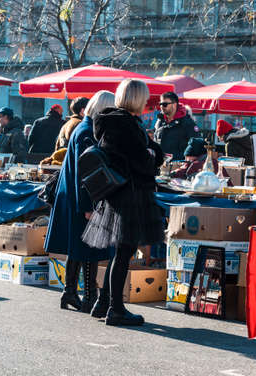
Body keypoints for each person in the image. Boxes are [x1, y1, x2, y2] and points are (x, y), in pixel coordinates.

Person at [82, 79, 164, 326]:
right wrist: (151, 155)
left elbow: (147, 152)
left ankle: (105, 302)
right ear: (138, 99)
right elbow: (144, 160)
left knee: (121, 251)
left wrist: (151, 151)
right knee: (124, 251)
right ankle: (116, 309)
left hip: (117, 193)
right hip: (132, 193)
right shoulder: (127, 125)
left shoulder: (110, 122)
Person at [45, 91, 115, 316]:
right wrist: (88, 207)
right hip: (80, 197)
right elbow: (87, 173)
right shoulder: (86, 132)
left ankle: (71, 292)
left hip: (74, 196)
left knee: (79, 246)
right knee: (88, 248)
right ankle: (87, 296)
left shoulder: (84, 128)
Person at [154, 91, 199, 160]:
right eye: (160, 104)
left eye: (165, 104)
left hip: (179, 167)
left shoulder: (187, 123)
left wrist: (174, 157)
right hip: (159, 167)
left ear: (174, 105)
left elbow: (196, 149)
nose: (161, 107)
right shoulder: (159, 122)